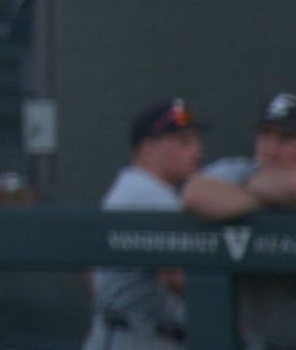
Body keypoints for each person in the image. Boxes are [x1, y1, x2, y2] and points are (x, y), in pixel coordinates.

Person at [181, 93, 296, 350]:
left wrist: (245, 195)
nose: (270, 148)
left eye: (285, 139)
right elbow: (194, 195)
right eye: (265, 135)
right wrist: (263, 195)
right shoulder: (239, 170)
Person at [82, 98, 206, 350]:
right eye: (184, 142)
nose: (197, 150)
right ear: (148, 148)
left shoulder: (130, 186)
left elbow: (92, 276)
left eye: (195, 141)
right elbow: (179, 277)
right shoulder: (148, 193)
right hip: (135, 337)